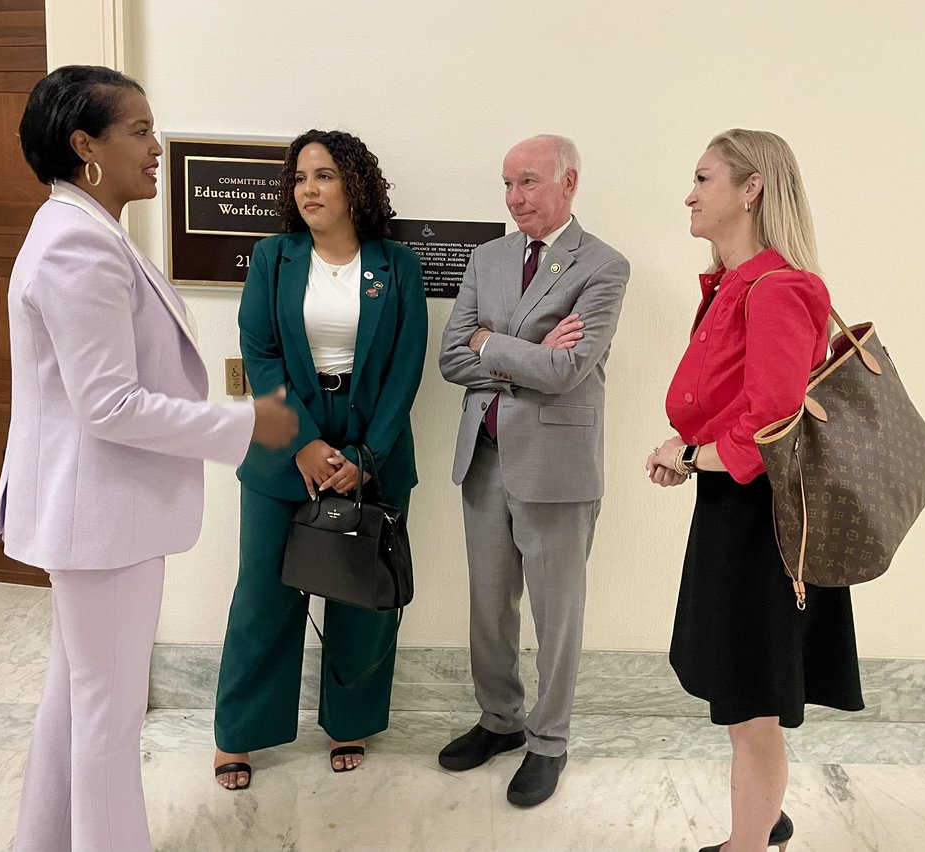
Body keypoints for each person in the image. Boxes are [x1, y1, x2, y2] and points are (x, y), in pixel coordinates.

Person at [0, 65, 299, 852]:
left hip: (96, 513)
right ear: (85, 144)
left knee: (76, 697)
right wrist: (243, 424)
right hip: (100, 517)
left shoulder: (84, 233)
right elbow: (109, 405)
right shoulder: (76, 246)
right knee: (107, 711)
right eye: (139, 130)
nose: (156, 147)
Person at [646, 128, 864, 852]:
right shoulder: (734, 287)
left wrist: (692, 451)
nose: (690, 192)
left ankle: (748, 844)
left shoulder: (779, 289)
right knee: (742, 689)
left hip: (760, 523)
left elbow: (772, 423)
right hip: (736, 508)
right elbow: (736, 412)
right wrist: (692, 454)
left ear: (751, 188)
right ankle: (762, 822)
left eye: (704, 178)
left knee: (750, 703)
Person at [213, 129, 428, 788]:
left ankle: (350, 722)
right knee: (263, 596)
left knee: (364, 595)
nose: (308, 188)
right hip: (285, 442)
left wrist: (367, 454)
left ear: (354, 185)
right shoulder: (274, 257)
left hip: (373, 444)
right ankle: (241, 733)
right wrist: (305, 443)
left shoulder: (396, 264)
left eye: (325, 175)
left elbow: (405, 364)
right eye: (301, 177)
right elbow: (260, 352)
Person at [438, 134, 630, 807]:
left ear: (568, 182)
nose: (516, 198)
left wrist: (490, 342)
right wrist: (523, 348)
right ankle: (500, 721)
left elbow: (565, 369)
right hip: (484, 458)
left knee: (558, 616)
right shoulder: (487, 256)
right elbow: (449, 359)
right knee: (489, 608)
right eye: (507, 184)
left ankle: (549, 741)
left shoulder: (604, 265)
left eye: (529, 182)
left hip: (556, 467)